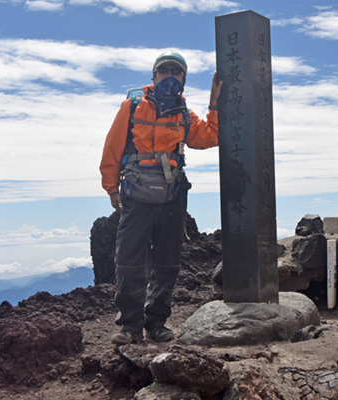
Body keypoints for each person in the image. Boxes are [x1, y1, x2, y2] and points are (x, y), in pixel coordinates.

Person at [99, 52, 223, 344]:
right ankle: (130, 325)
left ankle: (156, 323)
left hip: (172, 196)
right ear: (153, 76)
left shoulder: (184, 113)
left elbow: (209, 137)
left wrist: (213, 105)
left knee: (167, 262)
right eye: (164, 71)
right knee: (129, 261)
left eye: (176, 72)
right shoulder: (131, 107)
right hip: (136, 194)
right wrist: (111, 188)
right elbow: (112, 148)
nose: (170, 76)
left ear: (183, 79)